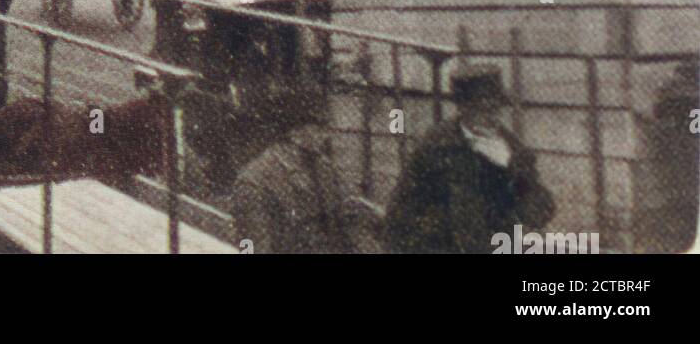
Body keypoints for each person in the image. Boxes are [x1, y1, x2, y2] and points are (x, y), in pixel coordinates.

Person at [384, 66, 555, 254]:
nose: (490, 117)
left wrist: (518, 177)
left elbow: (539, 210)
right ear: (463, 109)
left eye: (495, 108)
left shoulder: (513, 149)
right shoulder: (437, 148)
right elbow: (400, 210)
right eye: (481, 109)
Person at [233, 86, 380, 254]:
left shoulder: (323, 168)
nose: (326, 136)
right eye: (319, 128)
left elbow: (349, 216)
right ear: (294, 133)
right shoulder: (255, 182)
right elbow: (253, 247)